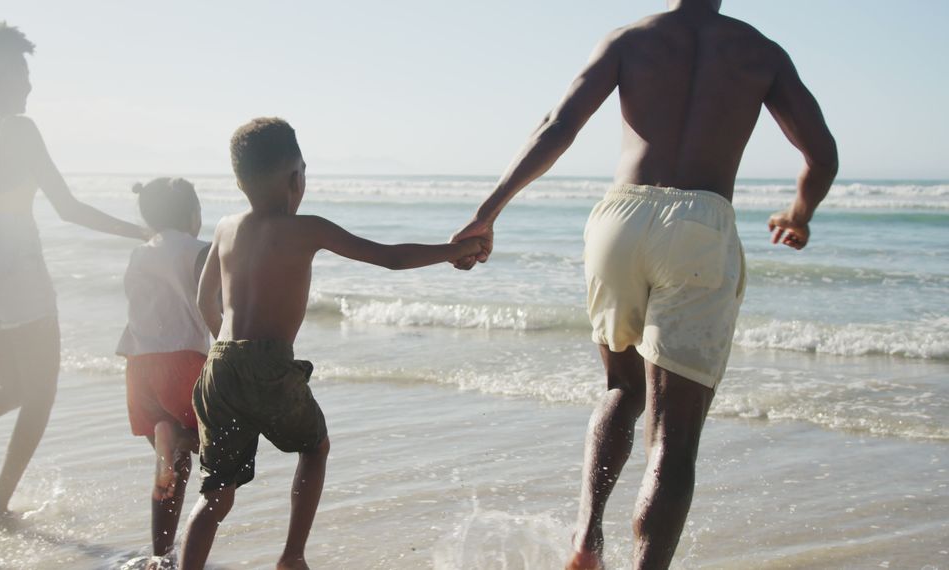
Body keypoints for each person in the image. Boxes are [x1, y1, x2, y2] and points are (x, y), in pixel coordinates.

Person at [450, 1, 838, 568]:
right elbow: (821, 155)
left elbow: (557, 127)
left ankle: (586, 540)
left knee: (621, 389)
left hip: (619, 221)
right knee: (674, 437)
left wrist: (488, 211)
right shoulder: (759, 51)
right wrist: (799, 212)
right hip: (699, 224)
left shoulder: (627, 39)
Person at [178, 117, 485, 570]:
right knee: (314, 448)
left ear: (241, 180)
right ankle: (292, 556)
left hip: (219, 367)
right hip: (269, 366)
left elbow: (205, 299)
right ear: (296, 178)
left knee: (216, 494)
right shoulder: (307, 228)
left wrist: (228, 354)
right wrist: (453, 251)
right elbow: (391, 259)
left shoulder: (225, 227)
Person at [0, 22, 148, 522]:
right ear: (7, 74)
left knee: (15, 388)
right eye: (24, 71)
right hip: (12, 260)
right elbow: (68, 208)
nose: (31, 84)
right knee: (41, 395)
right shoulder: (20, 128)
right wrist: (141, 233)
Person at [116, 177, 210, 566]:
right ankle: (178, 438)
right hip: (185, 362)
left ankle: (161, 554)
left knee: (173, 463)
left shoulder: (139, 254)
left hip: (139, 367)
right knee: (213, 450)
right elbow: (218, 306)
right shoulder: (201, 251)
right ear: (193, 215)